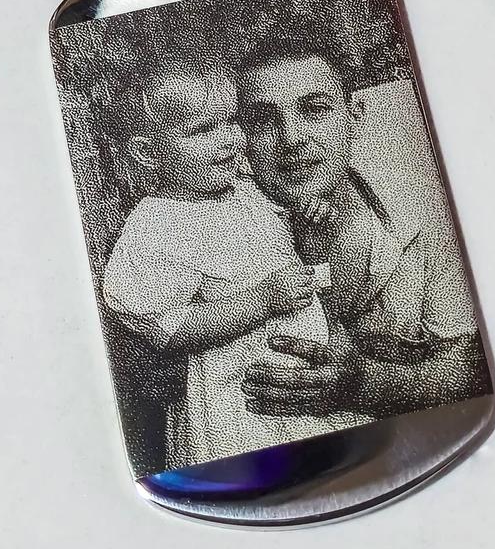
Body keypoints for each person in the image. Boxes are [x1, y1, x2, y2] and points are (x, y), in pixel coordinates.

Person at [100, 60, 367, 470]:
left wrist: (311, 229)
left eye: (230, 121)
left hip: (306, 367)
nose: (230, 140)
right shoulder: (155, 227)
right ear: (148, 153)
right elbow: (168, 330)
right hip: (239, 393)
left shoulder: (246, 193)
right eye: (203, 130)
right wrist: (261, 302)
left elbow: (292, 259)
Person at [234, 39, 489, 419]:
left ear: (354, 116)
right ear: (241, 137)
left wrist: (370, 386)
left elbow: (476, 364)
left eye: (314, 110)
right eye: (263, 120)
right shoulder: (225, 234)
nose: (291, 137)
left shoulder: (421, 211)